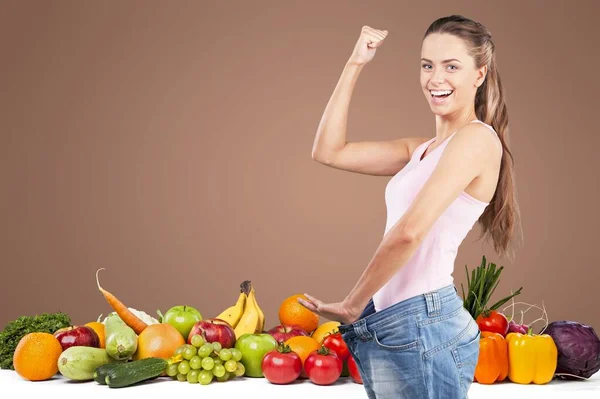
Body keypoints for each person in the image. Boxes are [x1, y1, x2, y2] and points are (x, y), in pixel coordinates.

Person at [298, 15, 523, 399]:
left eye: (451, 66)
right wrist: (355, 63)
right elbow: (328, 151)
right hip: (399, 323)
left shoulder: (477, 140)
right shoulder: (419, 151)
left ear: (479, 75)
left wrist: (353, 305)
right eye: (427, 65)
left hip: (425, 325)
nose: (436, 78)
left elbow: (409, 232)